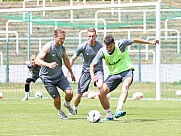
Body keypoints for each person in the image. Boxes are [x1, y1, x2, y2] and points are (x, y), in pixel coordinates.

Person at [90, 35, 159, 121]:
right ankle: (109, 115)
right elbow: (92, 65)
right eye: (107, 47)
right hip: (113, 74)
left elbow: (134, 39)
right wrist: (93, 76)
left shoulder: (121, 44)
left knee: (125, 87)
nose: (109, 49)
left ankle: (118, 110)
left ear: (114, 44)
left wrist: (150, 42)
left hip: (126, 71)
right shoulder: (102, 51)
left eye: (111, 46)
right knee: (101, 94)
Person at [35, 28, 76, 120]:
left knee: (70, 92)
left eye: (63, 38)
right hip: (47, 78)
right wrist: (48, 64)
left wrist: (71, 73)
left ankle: (67, 104)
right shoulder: (48, 46)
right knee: (57, 99)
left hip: (59, 75)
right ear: (55, 37)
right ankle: (60, 112)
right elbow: (37, 60)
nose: (62, 40)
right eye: (60, 38)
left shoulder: (62, 48)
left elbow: (66, 60)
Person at [67, 28, 104, 114]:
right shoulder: (82, 46)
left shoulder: (101, 46)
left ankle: (107, 111)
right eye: (89, 36)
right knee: (79, 93)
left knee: (100, 86)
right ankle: (74, 109)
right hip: (86, 71)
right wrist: (68, 72)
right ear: (87, 37)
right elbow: (73, 59)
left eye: (93, 36)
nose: (91, 38)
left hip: (98, 70)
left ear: (96, 36)